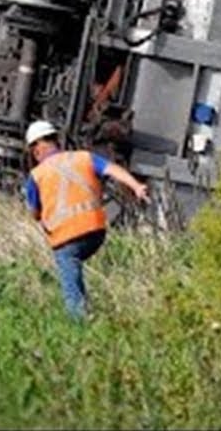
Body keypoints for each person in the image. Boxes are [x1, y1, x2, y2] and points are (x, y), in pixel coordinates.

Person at [21, 120, 150, 319]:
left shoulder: (36, 176)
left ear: (35, 149)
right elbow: (113, 169)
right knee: (74, 264)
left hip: (67, 238)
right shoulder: (84, 157)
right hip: (96, 231)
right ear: (56, 140)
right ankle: (91, 311)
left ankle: (80, 325)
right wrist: (136, 186)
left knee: (69, 274)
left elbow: (34, 213)